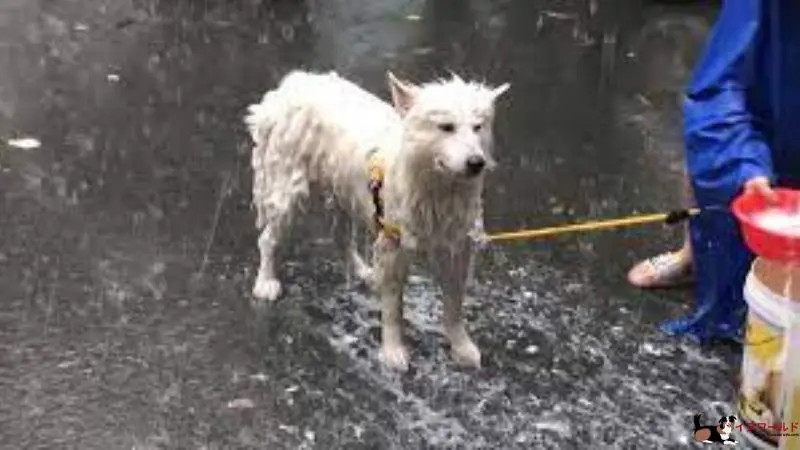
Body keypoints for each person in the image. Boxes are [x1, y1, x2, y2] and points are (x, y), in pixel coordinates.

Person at [627, 0, 798, 342]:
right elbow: (718, 89)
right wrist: (743, 163)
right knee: (712, 163)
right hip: (765, 142)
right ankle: (694, 256)